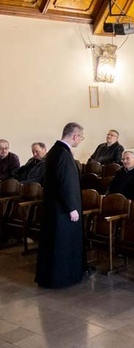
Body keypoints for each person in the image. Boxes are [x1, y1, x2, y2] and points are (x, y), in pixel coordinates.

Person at [35, 122, 85, 288]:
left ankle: (50, 276)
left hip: (54, 206)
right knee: (61, 243)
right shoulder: (63, 154)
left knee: (53, 243)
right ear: (75, 136)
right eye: (81, 138)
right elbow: (66, 183)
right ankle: (62, 277)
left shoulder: (54, 151)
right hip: (62, 209)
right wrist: (72, 208)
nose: (80, 141)